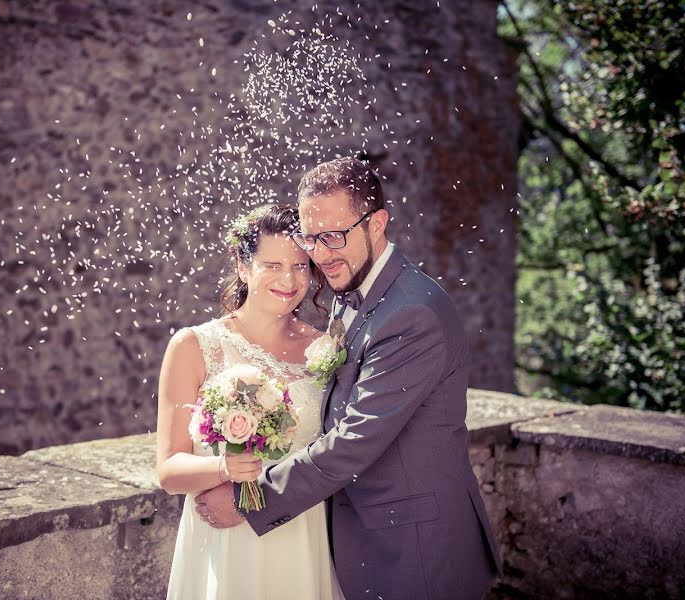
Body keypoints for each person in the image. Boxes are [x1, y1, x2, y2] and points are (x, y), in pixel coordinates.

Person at [195, 157, 503, 599]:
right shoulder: (354, 285)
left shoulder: (412, 312)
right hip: (365, 536)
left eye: (334, 236)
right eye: (311, 238)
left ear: (377, 223)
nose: (321, 254)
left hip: (415, 547)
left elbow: (356, 437)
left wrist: (252, 498)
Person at [156, 203, 345, 599]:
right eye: (272, 265)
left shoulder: (324, 348)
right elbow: (170, 469)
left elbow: (338, 449)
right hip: (228, 545)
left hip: (302, 532)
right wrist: (225, 467)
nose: (288, 280)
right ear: (243, 266)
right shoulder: (195, 346)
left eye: (298, 266)